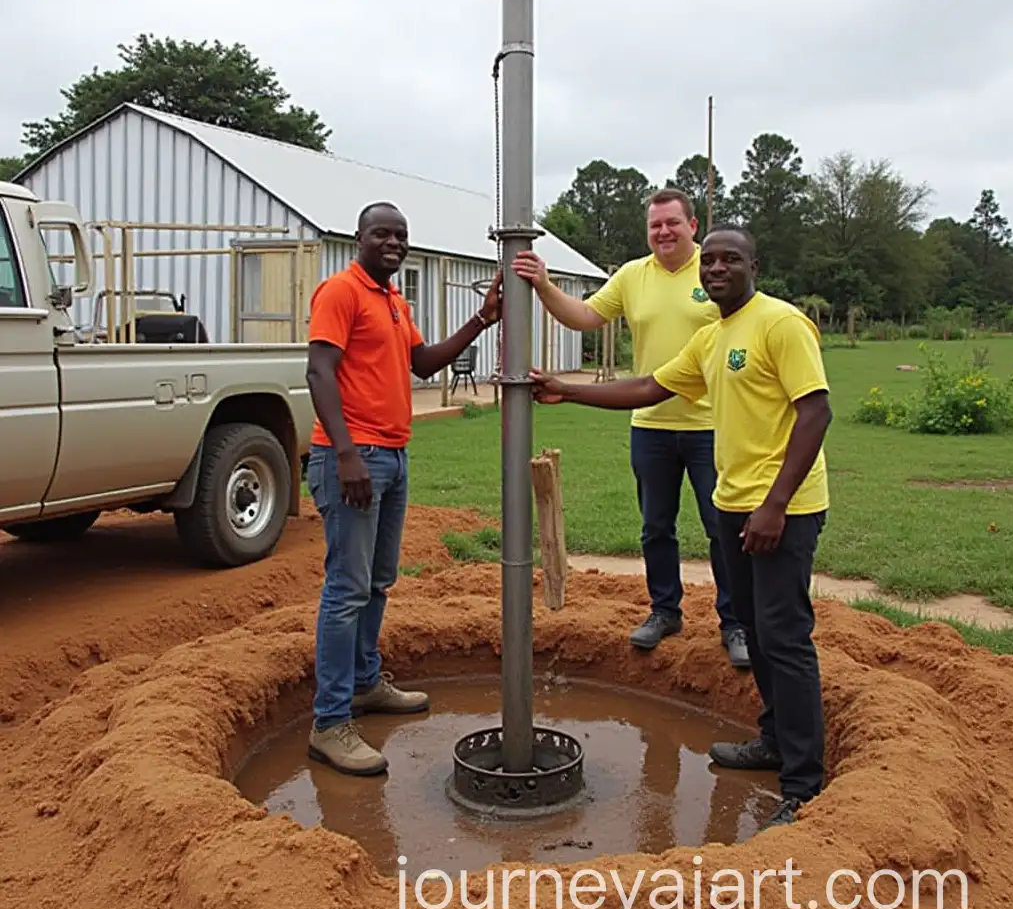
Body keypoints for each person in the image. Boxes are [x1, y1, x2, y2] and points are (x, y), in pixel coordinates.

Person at [529, 223, 832, 828]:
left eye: (730, 260)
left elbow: (815, 412)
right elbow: (649, 386)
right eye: (711, 262)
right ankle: (773, 740)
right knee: (757, 630)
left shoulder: (780, 323)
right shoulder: (714, 337)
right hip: (734, 502)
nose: (716, 268)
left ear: (754, 265)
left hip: (783, 509)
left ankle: (803, 784)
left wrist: (774, 505)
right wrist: (566, 389)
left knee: (785, 638)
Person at [304, 201, 502, 776]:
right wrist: (344, 454)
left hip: (392, 454)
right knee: (346, 589)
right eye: (381, 234)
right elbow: (318, 371)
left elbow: (423, 363)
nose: (393, 242)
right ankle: (330, 723)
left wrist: (483, 321)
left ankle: (365, 684)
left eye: (401, 236)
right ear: (358, 238)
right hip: (355, 457)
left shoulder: (393, 300)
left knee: (379, 582)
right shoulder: (339, 292)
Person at [513, 188, 748, 667]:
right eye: (655, 225)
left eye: (672, 223)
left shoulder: (715, 268)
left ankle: (736, 622)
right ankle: (665, 611)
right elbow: (584, 317)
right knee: (655, 528)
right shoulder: (632, 276)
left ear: (693, 226)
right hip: (651, 424)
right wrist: (543, 285)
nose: (663, 232)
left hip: (710, 426)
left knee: (721, 527)